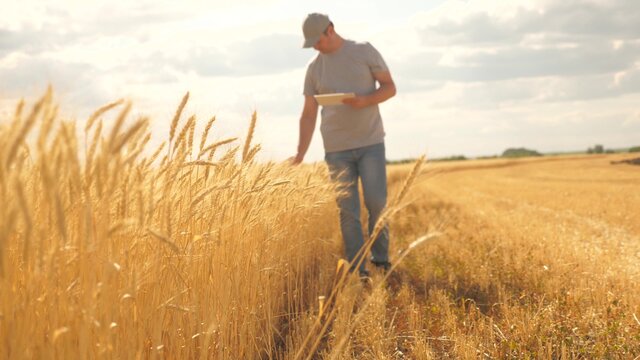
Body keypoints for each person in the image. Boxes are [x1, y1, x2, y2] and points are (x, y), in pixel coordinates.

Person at [291, 13, 396, 277]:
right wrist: (300, 153)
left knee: (376, 203)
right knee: (348, 213)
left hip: (371, 143)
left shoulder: (363, 51)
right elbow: (308, 114)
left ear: (331, 30)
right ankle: (358, 270)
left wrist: (365, 100)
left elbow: (389, 87)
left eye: (317, 41)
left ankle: (380, 259)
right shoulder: (314, 69)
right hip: (336, 150)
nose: (315, 47)